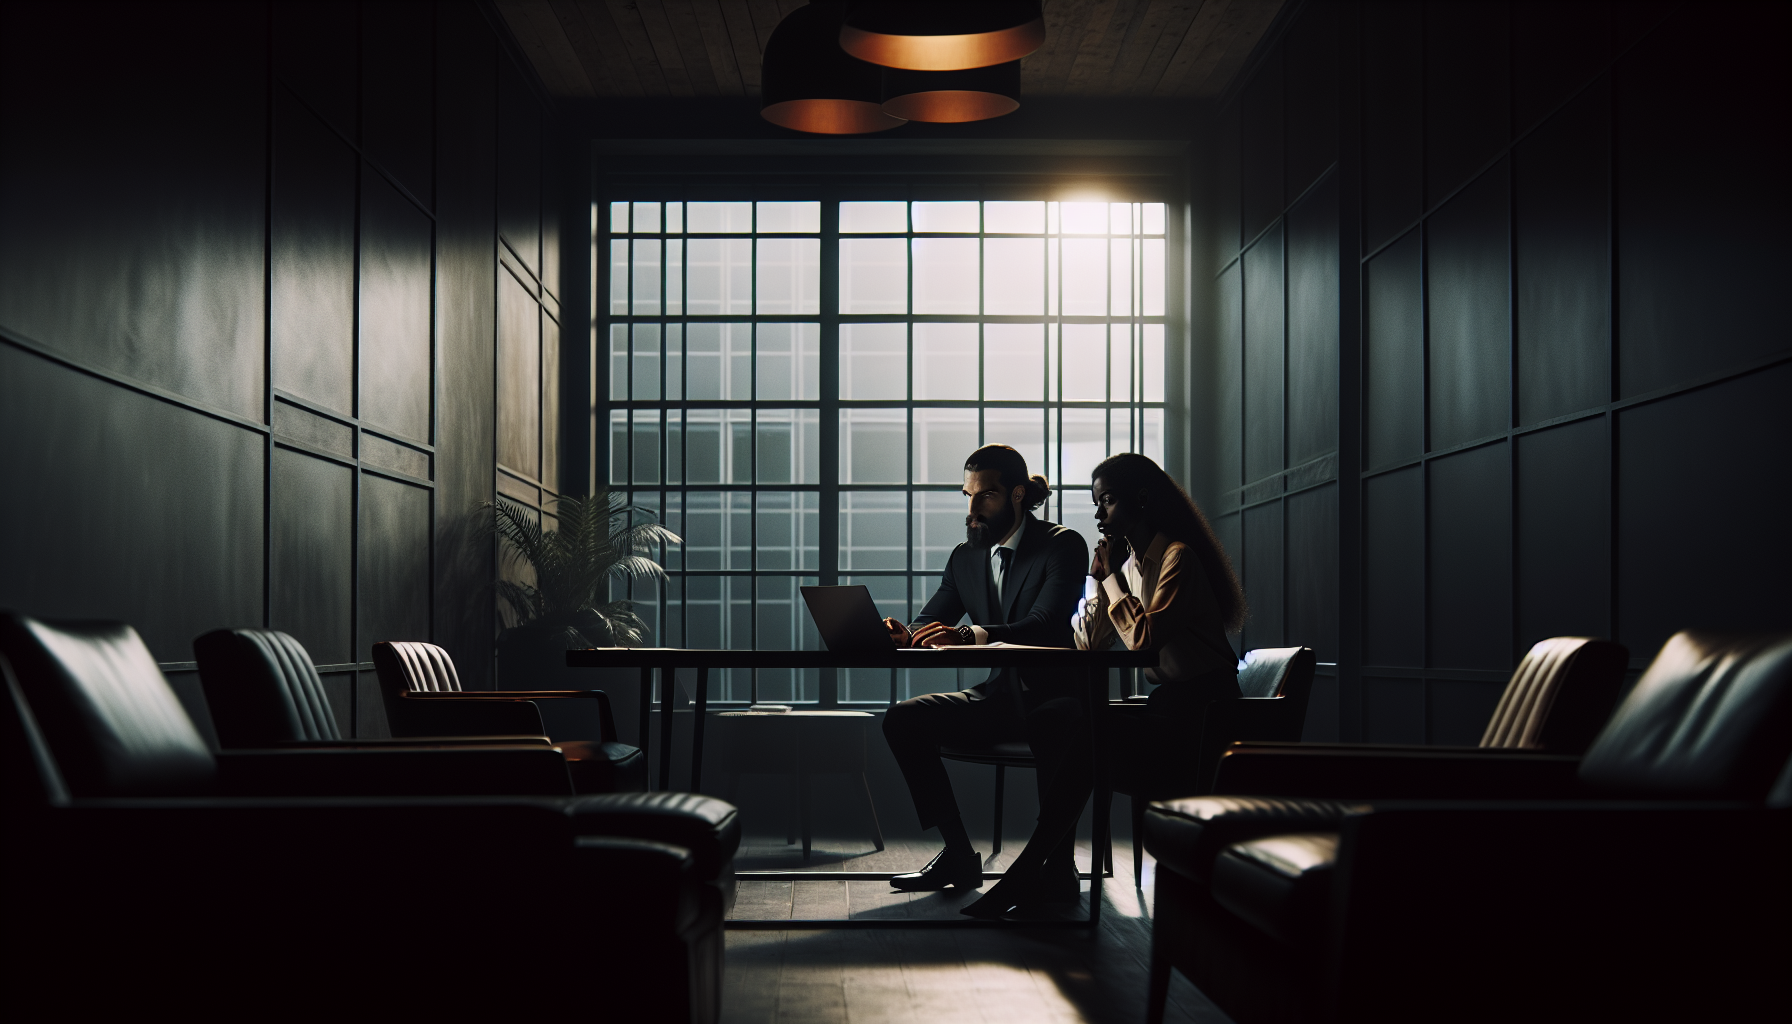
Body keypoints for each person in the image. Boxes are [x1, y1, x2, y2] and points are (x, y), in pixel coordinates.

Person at [878, 444, 1089, 914]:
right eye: (967, 495)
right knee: (902, 720)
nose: (973, 508)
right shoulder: (965, 558)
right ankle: (958, 854)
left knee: (1056, 723)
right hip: (998, 699)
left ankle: (1057, 865)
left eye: (986, 495)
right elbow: (932, 619)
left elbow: (1045, 624)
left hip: (1058, 698)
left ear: (1017, 494)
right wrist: (905, 634)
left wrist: (967, 635)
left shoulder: (1062, 545)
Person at [1072, 452, 1247, 801]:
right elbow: (1089, 644)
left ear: (1141, 498)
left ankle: (1050, 838)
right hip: (1169, 705)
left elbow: (1144, 641)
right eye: (1096, 504)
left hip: (1206, 711)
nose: (1098, 514)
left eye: (1107, 500)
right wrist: (1096, 582)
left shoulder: (1177, 558)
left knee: (1084, 737)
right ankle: (1052, 839)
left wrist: (1111, 580)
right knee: (1073, 728)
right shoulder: (1128, 569)